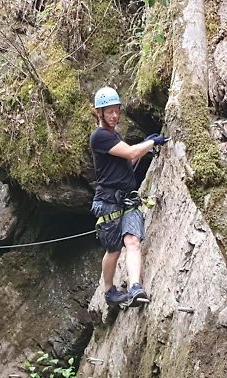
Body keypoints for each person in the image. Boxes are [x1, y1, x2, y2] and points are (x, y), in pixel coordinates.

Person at [90, 87, 168, 306]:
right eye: (109, 112)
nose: (114, 116)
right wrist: (151, 144)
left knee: (132, 241)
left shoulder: (114, 135)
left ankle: (135, 287)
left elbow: (129, 160)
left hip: (128, 199)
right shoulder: (100, 136)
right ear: (100, 113)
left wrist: (145, 144)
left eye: (117, 111)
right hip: (108, 203)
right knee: (113, 249)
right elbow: (132, 153)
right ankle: (109, 291)